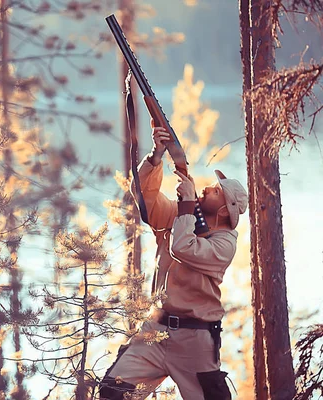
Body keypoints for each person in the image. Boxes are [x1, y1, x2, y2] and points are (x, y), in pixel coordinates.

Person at [99, 126, 248, 400]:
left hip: (196, 341)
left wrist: (188, 204)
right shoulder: (182, 215)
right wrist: (156, 156)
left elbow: (182, 246)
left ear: (226, 210)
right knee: (112, 392)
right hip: (155, 330)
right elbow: (145, 196)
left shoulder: (225, 243)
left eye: (214, 191)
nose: (206, 188)